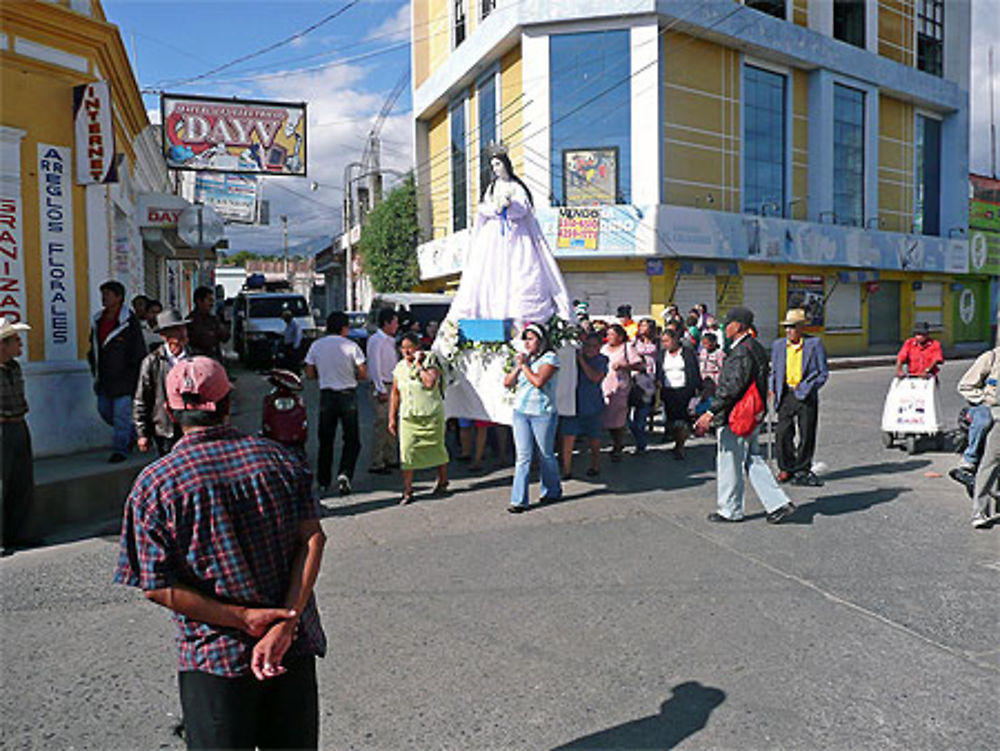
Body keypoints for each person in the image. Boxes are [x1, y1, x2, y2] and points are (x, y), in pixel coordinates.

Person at [113, 357, 327, 749]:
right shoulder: (281, 459)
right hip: (289, 651)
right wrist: (285, 622)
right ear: (228, 402)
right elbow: (313, 539)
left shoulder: (155, 485)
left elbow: (157, 587)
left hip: (214, 661)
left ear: (171, 410)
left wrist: (244, 618)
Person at [693, 307, 796, 524]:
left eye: (728, 323)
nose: (725, 327)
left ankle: (730, 509)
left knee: (729, 460)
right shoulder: (755, 347)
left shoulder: (741, 351)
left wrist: (710, 412)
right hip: (751, 413)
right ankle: (778, 503)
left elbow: (731, 386)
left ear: (739, 326)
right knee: (753, 458)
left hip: (736, 415)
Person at [446, 149, 573, 325]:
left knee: (520, 272)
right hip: (493, 236)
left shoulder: (516, 186)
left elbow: (523, 208)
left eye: (498, 164)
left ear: (506, 164)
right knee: (490, 274)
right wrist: (496, 208)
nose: (495, 169)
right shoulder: (491, 188)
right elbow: (483, 208)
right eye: (492, 166)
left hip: (516, 235)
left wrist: (509, 206)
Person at [304, 312, 368, 495]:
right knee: (352, 440)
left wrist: (322, 375)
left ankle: (324, 480)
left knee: (326, 440)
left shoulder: (316, 346)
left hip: (327, 396)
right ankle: (345, 473)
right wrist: (352, 375)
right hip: (348, 395)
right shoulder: (351, 346)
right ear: (343, 328)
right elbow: (363, 373)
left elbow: (309, 373)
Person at [88, 280, 147, 463]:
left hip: (125, 380)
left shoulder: (129, 322)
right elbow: (94, 348)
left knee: (121, 415)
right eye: (102, 294)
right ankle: (134, 434)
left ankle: (120, 449)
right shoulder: (98, 320)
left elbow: (138, 352)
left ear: (119, 298)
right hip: (104, 379)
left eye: (108, 294)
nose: (104, 298)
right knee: (105, 411)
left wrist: (136, 378)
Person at [503, 323, 561, 513]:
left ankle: (552, 490)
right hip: (521, 412)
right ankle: (519, 500)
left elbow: (538, 381)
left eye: (531, 338)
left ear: (541, 340)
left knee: (546, 455)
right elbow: (507, 382)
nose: (527, 343)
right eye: (525, 339)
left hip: (542, 413)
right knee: (523, 457)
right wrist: (518, 367)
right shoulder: (525, 359)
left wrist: (524, 366)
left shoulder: (550, 358)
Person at [770, 308, 830, 486]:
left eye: (792, 327)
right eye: (786, 327)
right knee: (782, 433)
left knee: (807, 433)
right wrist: (772, 387)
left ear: (801, 328)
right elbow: (774, 370)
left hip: (805, 393)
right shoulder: (779, 345)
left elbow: (823, 373)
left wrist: (808, 387)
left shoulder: (814, 344)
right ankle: (786, 467)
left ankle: (802, 469)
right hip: (785, 393)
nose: (788, 330)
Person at [388, 333, 449, 504]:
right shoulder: (399, 367)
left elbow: (429, 382)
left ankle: (443, 481)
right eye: (403, 348)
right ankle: (407, 490)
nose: (406, 352)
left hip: (430, 414)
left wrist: (419, 364)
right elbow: (395, 392)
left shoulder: (431, 360)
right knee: (407, 452)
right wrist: (391, 417)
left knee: (437, 448)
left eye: (410, 348)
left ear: (417, 347)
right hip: (409, 416)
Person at [134, 310, 190, 457]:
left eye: (183, 328)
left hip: (191, 426)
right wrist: (142, 433)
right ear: (164, 335)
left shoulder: (194, 358)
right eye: (176, 330)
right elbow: (141, 399)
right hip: (165, 429)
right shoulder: (152, 362)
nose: (182, 333)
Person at [1, 316, 33, 553]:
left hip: (19, 425)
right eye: (16, 341)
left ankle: (19, 534)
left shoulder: (14, 366)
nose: (20, 345)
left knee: (22, 483)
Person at [561, 332, 608, 479]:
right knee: (568, 437)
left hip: (592, 405)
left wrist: (581, 360)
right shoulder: (571, 360)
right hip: (572, 404)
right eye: (588, 345)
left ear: (599, 347)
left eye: (594, 346)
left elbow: (594, 377)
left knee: (594, 438)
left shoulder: (602, 360)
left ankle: (595, 465)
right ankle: (566, 469)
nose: (590, 349)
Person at [601, 324, 644, 462]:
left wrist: (625, 366)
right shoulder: (604, 349)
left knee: (618, 419)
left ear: (620, 336)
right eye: (608, 334)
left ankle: (618, 446)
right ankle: (614, 443)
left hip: (621, 389)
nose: (609, 337)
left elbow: (640, 365)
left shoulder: (627, 347)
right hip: (604, 386)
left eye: (612, 335)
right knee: (607, 418)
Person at [657, 327, 702, 460]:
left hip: (684, 390)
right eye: (663, 342)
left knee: (683, 420)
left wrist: (697, 390)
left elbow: (694, 371)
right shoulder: (662, 354)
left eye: (667, 341)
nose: (665, 344)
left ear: (675, 340)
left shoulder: (687, 353)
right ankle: (676, 440)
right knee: (672, 420)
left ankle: (680, 445)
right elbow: (658, 371)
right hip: (668, 391)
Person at [955, 344, 999, 472]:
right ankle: (970, 458)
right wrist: (984, 398)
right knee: (983, 421)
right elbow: (965, 386)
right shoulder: (991, 358)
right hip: (986, 405)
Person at [367, 308, 400, 475]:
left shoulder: (391, 341)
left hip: (392, 384)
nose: (397, 326)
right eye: (394, 322)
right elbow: (374, 366)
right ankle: (377, 461)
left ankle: (390, 457)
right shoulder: (376, 340)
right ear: (386, 323)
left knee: (392, 421)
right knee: (382, 423)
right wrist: (379, 388)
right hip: (382, 385)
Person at [628, 318, 659, 454]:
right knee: (629, 415)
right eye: (641, 326)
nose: (643, 328)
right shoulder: (634, 343)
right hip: (636, 378)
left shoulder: (658, 343)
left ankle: (641, 443)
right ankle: (638, 436)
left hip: (651, 379)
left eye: (646, 326)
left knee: (642, 412)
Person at [187, 286, 230, 360]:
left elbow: (225, 337)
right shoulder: (191, 321)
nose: (212, 304)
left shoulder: (213, 319)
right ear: (199, 301)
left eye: (213, 301)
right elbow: (203, 340)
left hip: (214, 359)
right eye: (209, 300)